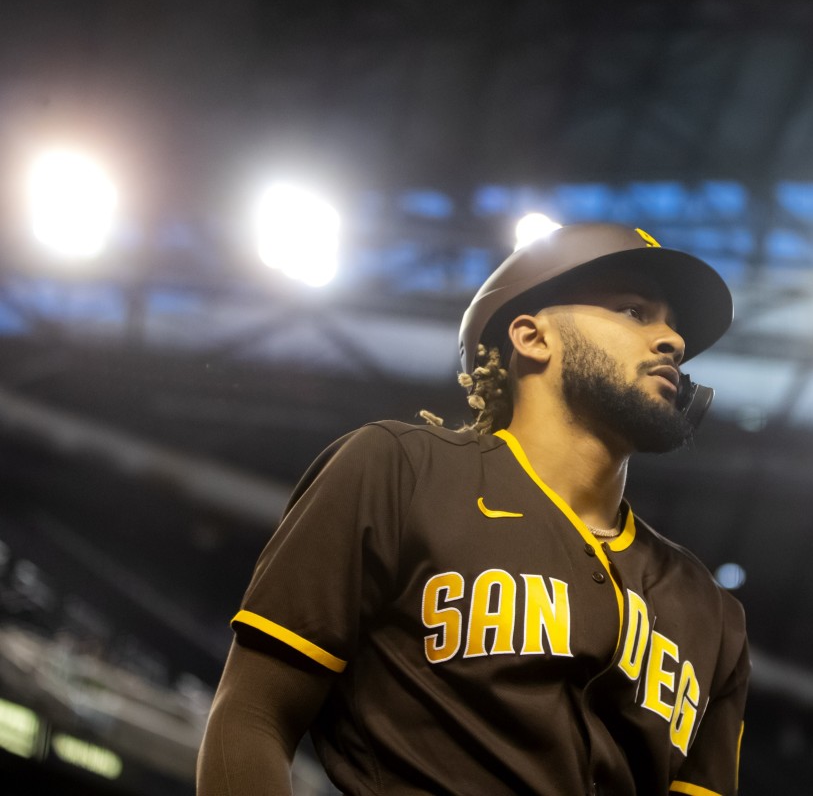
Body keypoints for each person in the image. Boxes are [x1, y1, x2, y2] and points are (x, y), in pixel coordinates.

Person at [197, 223, 750, 796]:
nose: (673, 342)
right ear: (532, 337)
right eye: (635, 311)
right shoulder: (399, 472)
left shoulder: (713, 614)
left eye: (674, 326)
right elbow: (252, 717)